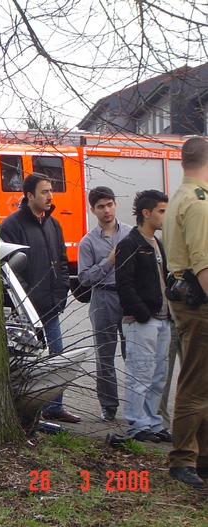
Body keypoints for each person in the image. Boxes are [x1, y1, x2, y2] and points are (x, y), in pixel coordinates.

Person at [0, 172, 79, 423]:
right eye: (44, 191)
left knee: (57, 357)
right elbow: (9, 268)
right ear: (29, 195)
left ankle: (55, 407)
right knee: (30, 360)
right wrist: (26, 298)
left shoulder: (53, 223)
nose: (50, 196)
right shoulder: (12, 226)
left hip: (52, 306)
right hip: (26, 310)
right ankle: (30, 412)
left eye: (50, 191)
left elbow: (62, 261)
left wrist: (62, 290)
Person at [162, 136, 208, 487]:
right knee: (195, 383)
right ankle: (183, 460)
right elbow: (204, 264)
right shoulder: (198, 202)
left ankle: (199, 456)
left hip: (187, 299)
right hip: (200, 302)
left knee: (202, 382)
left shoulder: (180, 195)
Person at [115, 190, 171, 444]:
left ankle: (154, 422)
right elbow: (124, 284)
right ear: (146, 213)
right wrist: (142, 314)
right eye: (161, 211)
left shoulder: (157, 243)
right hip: (142, 322)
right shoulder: (130, 243)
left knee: (159, 374)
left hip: (163, 320)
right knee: (141, 373)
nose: (164, 216)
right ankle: (137, 423)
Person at [77, 187, 132, 422]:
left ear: (115, 205)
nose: (106, 210)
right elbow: (85, 278)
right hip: (102, 299)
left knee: (134, 355)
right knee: (105, 357)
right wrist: (108, 262)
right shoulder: (87, 242)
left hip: (128, 297)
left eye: (109, 204)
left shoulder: (130, 234)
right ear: (93, 210)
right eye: (101, 206)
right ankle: (108, 407)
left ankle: (136, 408)